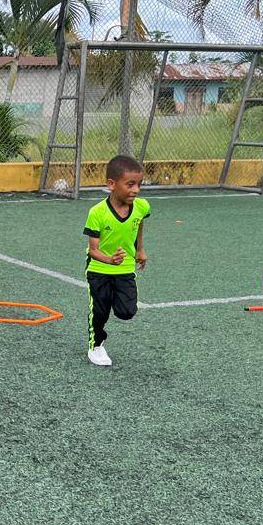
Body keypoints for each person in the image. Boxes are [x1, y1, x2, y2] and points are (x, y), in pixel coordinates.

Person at [84, 154, 151, 367]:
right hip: (99, 268)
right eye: (130, 184)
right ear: (112, 184)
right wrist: (109, 260)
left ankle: (111, 296)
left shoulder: (142, 206)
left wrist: (140, 249)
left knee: (126, 312)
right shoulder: (97, 213)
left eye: (139, 184)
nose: (136, 190)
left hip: (125, 268)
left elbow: (139, 222)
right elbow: (93, 250)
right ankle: (96, 345)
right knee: (100, 311)